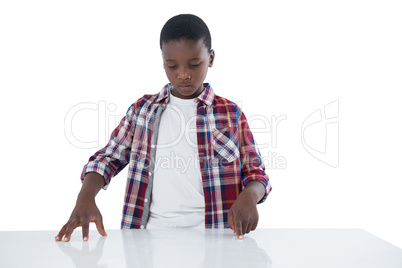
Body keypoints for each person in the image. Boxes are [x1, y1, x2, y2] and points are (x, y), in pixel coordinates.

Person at [55, 14, 272, 242]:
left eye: (193, 64)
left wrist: (250, 195)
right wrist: (85, 198)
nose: (183, 74)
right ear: (163, 62)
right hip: (147, 240)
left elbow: (256, 172)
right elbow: (107, 159)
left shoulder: (230, 113)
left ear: (211, 58)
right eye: (172, 65)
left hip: (217, 239)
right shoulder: (142, 111)